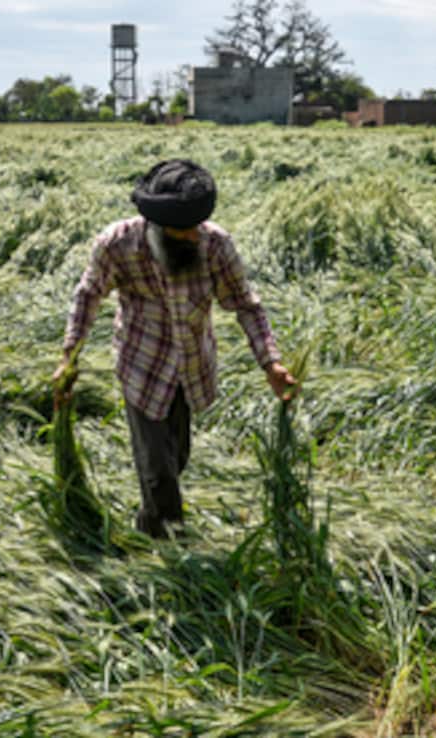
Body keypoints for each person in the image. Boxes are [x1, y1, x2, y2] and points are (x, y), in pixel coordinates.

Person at [53, 159, 298, 539]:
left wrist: (272, 364)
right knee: (158, 470)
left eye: (193, 229)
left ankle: (150, 521)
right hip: (142, 367)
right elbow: (88, 296)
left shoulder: (215, 245)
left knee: (177, 457)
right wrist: (69, 357)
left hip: (192, 368)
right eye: (180, 231)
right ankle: (167, 550)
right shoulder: (118, 244)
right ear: (155, 223)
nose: (190, 238)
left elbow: (246, 306)